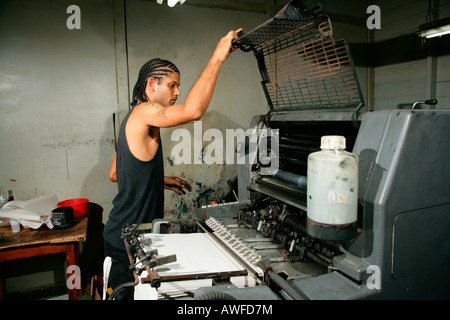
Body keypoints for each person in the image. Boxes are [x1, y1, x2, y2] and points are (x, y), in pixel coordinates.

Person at [103, 28, 242, 300]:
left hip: (123, 233)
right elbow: (193, 111)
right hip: (128, 241)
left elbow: (114, 173)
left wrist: (159, 179)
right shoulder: (144, 112)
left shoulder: (133, 117)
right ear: (151, 84)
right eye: (172, 85)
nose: (178, 92)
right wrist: (218, 57)